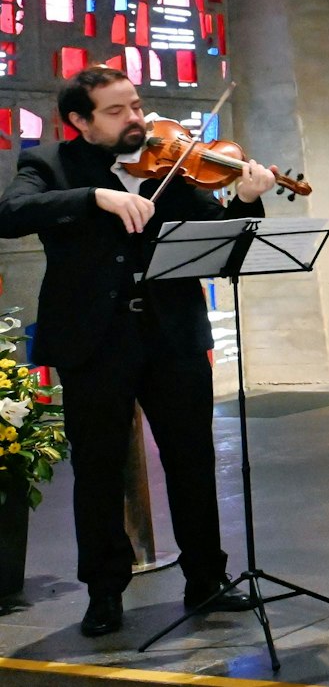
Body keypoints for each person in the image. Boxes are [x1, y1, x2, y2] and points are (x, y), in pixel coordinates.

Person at [0, 66, 272, 637]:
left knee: (192, 460)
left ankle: (207, 578)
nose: (137, 119)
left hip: (172, 336)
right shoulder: (48, 164)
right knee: (97, 469)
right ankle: (104, 592)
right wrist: (93, 197)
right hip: (95, 342)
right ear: (79, 121)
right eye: (117, 110)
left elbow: (221, 240)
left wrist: (246, 200)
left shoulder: (171, 166)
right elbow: (10, 214)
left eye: (137, 105)